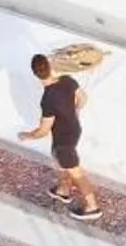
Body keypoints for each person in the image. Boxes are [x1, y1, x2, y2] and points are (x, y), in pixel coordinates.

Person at [18, 53, 102, 222]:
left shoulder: (47, 99)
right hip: (74, 130)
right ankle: (63, 190)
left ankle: (93, 207)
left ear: (35, 74)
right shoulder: (67, 80)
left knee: (77, 174)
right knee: (64, 164)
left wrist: (27, 135)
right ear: (50, 67)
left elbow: (43, 130)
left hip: (62, 141)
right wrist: (75, 111)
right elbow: (83, 98)